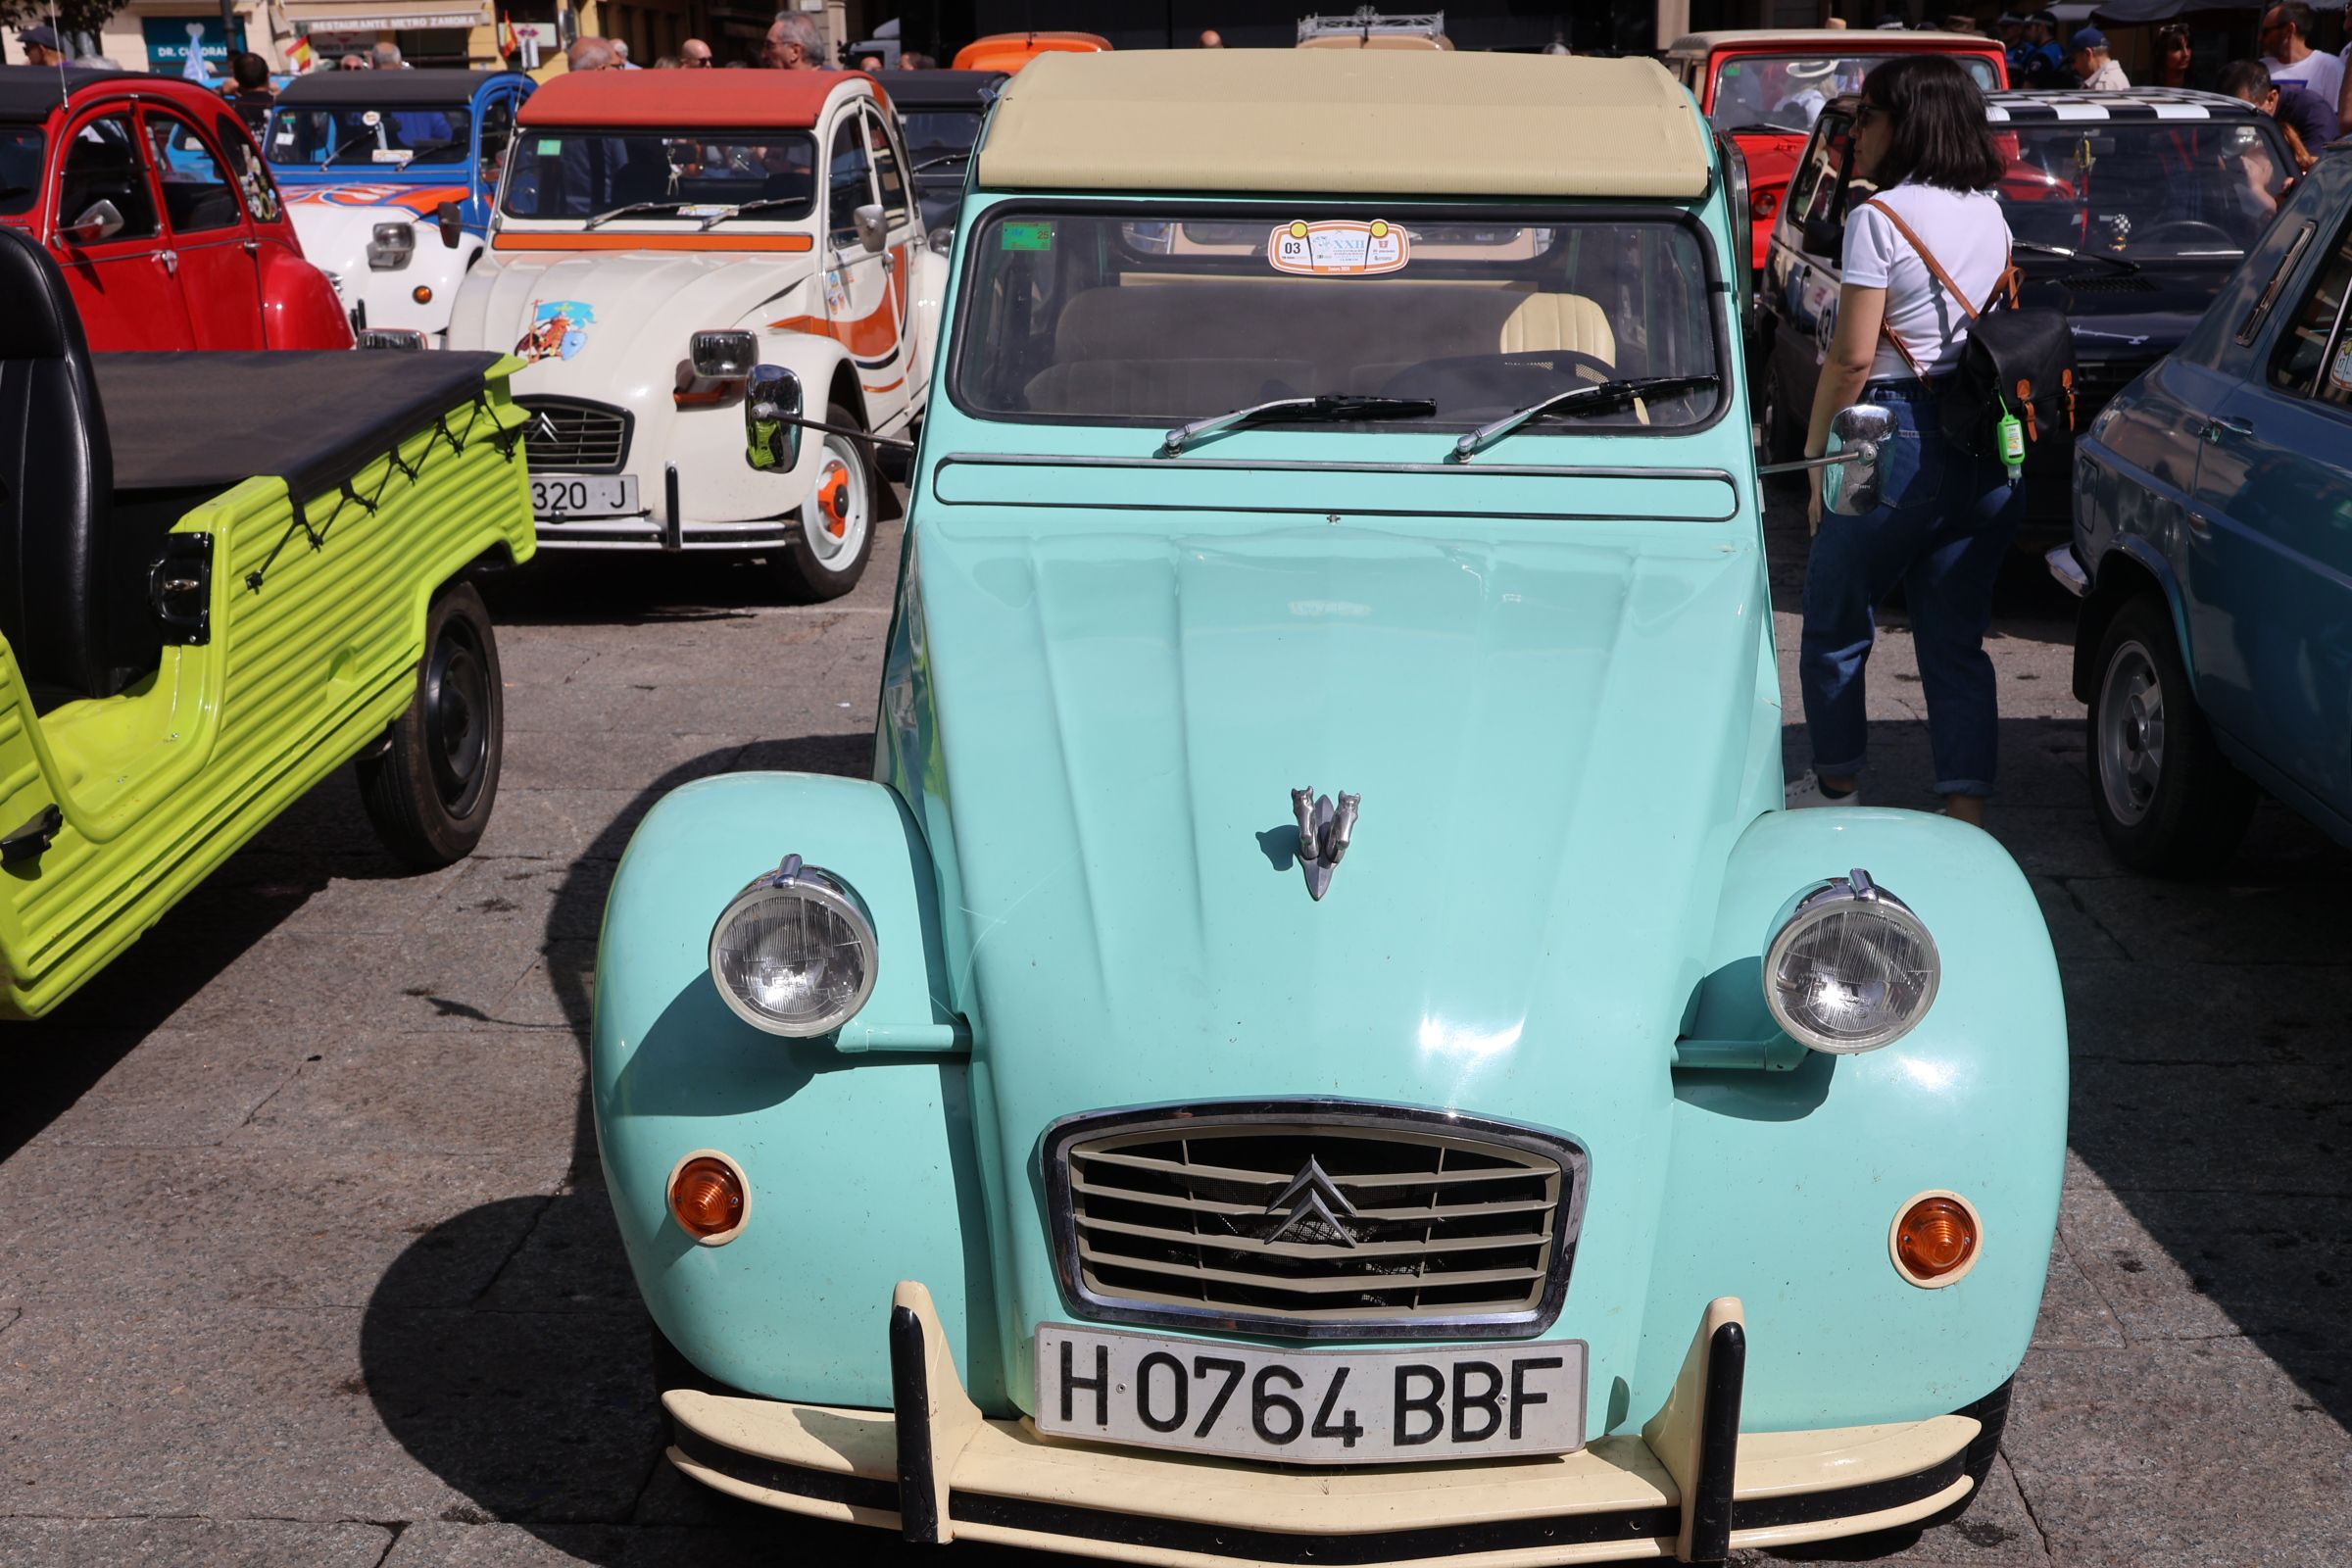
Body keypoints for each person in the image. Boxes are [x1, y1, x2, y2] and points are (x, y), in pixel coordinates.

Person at [1792, 55, 2021, 824]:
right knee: (1956, 638)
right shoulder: (1992, 213)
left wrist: (1820, 463)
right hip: (1982, 443)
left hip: (1888, 436)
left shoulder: (1877, 218)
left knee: (1834, 623)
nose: (1857, 135)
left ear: (1908, 123)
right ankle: (1965, 814)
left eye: (1869, 119)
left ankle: (1837, 792)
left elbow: (1853, 358)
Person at [2221, 59, 2338, 172]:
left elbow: (2315, 172)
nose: (2238, 122)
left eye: (2245, 112)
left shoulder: (2314, 113)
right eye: (2229, 113)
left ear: (2271, 99)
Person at [2260, 4, 2344, 121]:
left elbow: (2335, 122)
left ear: (2289, 30)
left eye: (2266, 32)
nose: (2260, 38)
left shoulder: (2331, 67)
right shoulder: (2259, 68)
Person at [2012, 11, 2068, 87]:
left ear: (2041, 28)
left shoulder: (2042, 56)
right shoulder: (2060, 49)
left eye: (2030, 27)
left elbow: (2027, 88)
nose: (2027, 32)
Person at [226, 51, 275, 133]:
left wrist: (221, 92)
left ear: (236, 79)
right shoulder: (283, 108)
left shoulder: (229, 110)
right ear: (268, 75)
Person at [2154, 24, 2193, 88]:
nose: (2186, 54)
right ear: (2162, 52)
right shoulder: (2147, 87)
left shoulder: (2203, 87)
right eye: (2177, 48)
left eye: (2188, 47)